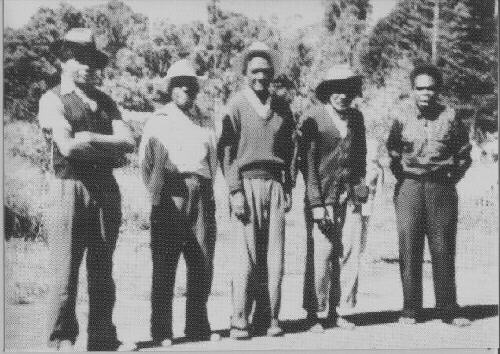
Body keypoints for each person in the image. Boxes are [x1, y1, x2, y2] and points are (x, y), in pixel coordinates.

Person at [38, 28, 135, 351]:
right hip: (70, 187)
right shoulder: (52, 99)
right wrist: (112, 152)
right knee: (65, 269)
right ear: (64, 60)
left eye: (93, 60)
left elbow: (128, 142)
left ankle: (103, 337)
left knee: (102, 268)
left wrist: (91, 139)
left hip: (106, 190)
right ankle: (61, 338)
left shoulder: (106, 102)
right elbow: (66, 148)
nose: (88, 66)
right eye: (80, 58)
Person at [139, 59, 219, 347]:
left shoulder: (207, 119)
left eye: (191, 84)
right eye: (180, 84)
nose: (186, 88)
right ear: (171, 88)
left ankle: (197, 324)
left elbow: (213, 159)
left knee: (202, 260)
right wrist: (157, 194)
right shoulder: (159, 120)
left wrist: (209, 192)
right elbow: (145, 163)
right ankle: (162, 330)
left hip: (201, 190)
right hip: (170, 192)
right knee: (165, 262)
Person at [217, 42, 295, 339]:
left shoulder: (282, 108)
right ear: (245, 74)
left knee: (274, 255)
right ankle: (239, 320)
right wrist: (235, 190)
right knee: (244, 255)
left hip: (274, 185)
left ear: (273, 74)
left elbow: (289, 149)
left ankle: (270, 317)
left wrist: (287, 186)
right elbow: (226, 151)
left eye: (266, 71)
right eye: (255, 71)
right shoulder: (236, 105)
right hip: (246, 184)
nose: (261, 76)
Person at [386, 64, 472, 326]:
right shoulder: (401, 115)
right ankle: (411, 309)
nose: (426, 93)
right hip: (410, 186)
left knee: (443, 246)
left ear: (439, 91)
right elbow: (392, 151)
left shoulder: (451, 116)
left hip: (441, 187)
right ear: (413, 90)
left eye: (431, 88)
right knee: (409, 246)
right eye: (420, 88)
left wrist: (449, 178)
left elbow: (464, 153)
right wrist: (404, 176)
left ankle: (448, 308)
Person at [301, 64, 367, 332]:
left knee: (348, 252)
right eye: (336, 90)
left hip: (348, 196)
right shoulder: (314, 118)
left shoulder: (357, 118)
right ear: (327, 92)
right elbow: (308, 164)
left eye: (347, 90)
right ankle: (315, 313)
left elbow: (360, 156)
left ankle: (337, 310)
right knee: (322, 254)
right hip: (322, 198)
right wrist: (316, 204)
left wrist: (360, 190)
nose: (342, 95)